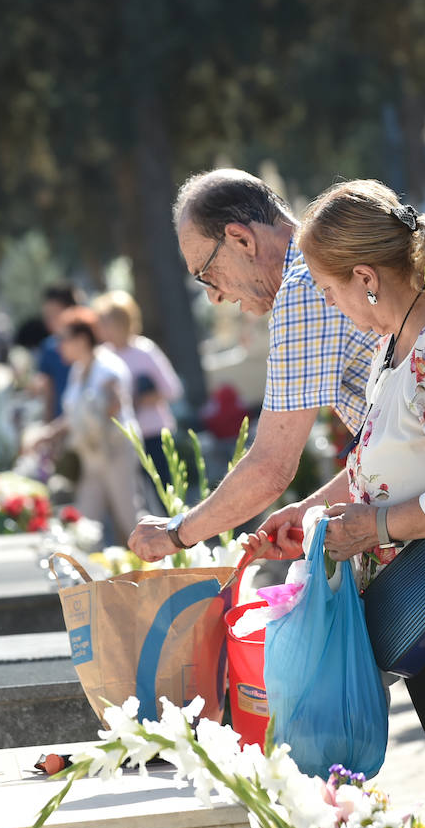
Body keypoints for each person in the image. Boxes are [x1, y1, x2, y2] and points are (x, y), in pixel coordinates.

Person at [246, 181, 425, 828]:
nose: (330, 307)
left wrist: (377, 528)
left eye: (330, 292)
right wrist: (318, 515)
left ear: (365, 278)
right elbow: (388, 464)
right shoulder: (400, 346)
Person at [126, 169, 375, 561]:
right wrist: (310, 508)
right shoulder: (327, 262)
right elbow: (393, 445)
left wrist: (177, 532)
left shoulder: (302, 286)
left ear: (241, 239)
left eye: (207, 275)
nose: (214, 298)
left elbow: (270, 468)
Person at [32, 307, 141, 542]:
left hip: (115, 451)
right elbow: (74, 414)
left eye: (63, 338)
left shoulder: (108, 365)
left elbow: (116, 401)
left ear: (81, 339)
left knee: (129, 516)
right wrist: (50, 434)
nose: (58, 345)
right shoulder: (78, 370)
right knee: (84, 521)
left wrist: (101, 409)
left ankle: (164, 570)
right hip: (90, 456)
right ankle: (80, 574)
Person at [92, 290, 183, 490]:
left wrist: (139, 399)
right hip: (122, 439)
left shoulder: (144, 350)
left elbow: (172, 389)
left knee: (167, 491)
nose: (103, 328)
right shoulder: (102, 357)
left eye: (107, 322)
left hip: (154, 434)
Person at [35, 284, 80, 419]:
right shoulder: (48, 348)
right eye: (46, 315)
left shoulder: (93, 342)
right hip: (61, 423)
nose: (49, 320)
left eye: (54, 314)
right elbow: (48, 393)